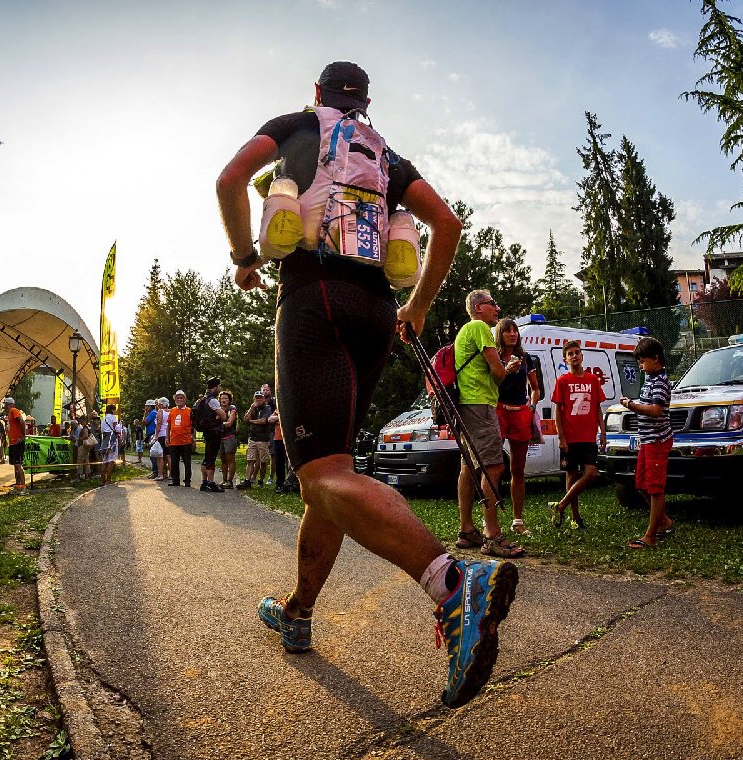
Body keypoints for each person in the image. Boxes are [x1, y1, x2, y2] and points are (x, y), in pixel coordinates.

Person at [217, 60, 516, 707]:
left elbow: (231, 178)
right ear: (367, 102)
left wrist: (244, 258)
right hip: (376, 314)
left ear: (317, 94)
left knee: (320, 476)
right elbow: (448, 224)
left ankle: (454, 586)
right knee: (333, 474)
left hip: (313, 300)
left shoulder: (297, 127)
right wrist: (417, 307)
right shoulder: (386, 157)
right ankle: (298, 611)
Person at [454, 290, 526, 558]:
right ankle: (492, 535)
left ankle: (466, 530)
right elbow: (497, 373)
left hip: (464, 404)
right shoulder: (480, 328)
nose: (497, 308)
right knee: (493, 467)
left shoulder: (464, 331)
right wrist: (507, 370)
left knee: (468, 468)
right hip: (480, 404)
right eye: (492, 304)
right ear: (478, 308)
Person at [547, 340, 607, 531]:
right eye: (570, 354)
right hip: (570, 437)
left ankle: (560, 506)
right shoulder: (562, 381)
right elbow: (557, 411)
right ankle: (576, 518)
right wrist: (561, 436)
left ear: (582, 356)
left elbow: (597, 408)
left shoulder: (593, 380)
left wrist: (603, 431)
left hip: (588, 437)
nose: (574, 356)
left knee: (591, 473)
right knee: (571, 475)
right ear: (565, 359)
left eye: (577, 352)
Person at [623, 337, 675, 548]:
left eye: (643, 361)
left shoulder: (660, 381)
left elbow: (655, 410)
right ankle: (663, 521)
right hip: (647, 441)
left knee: (655, 488)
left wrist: (631, 405)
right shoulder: (650, 379)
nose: (640, 365)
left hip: (657, 440)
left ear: (655, 358)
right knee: (641, 483)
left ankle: (651, 535)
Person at [493, 318, 541, 537]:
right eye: (508, 331)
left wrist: (531, 407)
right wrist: (506, 370)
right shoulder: (493, 356)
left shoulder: (525, 357)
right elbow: (490, 384)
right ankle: (491, 521)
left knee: (518, 469)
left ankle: (518, 521)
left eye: (515, 331)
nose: (513, 334)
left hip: (520, 412)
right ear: (500, 334)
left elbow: (535, 388)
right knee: (494, 467)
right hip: (498, 411)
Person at [237, 391, 273, 490]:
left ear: (264, 399)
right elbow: (245, 419)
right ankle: (247, 481)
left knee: (263, 461)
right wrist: (251, 408)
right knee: (250, 460)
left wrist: (252, 421)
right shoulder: (253, 408)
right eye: (257, 398)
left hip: (263, 439)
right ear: (254, 399)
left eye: (260, 398)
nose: (259, 399)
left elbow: (263, 421)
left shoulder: (267, 408)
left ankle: (260, 480)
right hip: (252, 438)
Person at [198, 378, 227, 493]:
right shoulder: (213, 400)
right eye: (219, 386)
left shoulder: (203, 399)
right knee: (211, 458)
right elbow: (224, 416)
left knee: (206, 457)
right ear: (215, 387)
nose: (220, 389)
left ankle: (204, 482)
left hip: (207, 431)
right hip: (214, 431)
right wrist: (220, 414)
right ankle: (211, 483)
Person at [167, 390, 193, 487]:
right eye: (177, 398)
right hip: (174, 441)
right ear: (175, 400)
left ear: (184, 399)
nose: (179, 399)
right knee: (174, 462)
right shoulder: (172, 410)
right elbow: (168, 425)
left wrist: (193, 438)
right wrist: (167, 437)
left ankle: (187, 480)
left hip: (186, 441)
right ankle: (175, 480)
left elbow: (193, 426)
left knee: (187, 462)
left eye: (181, 398)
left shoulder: (189, 411)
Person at [4, 396, 27, 491]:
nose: (5, 406)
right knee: (15, 465)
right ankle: (18, 485)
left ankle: (23, 486)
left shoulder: (14, 410)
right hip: (13, 443)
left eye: (6, 404)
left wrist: (23, 436)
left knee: (18, 464)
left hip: (17, 442)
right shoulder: (10, 413)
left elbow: (22, 421)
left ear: (9, 404)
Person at [218, 390, 239, 488]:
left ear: (229, 400)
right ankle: (224, 480)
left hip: (230, 437)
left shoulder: (232, 408)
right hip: (220, 437)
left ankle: (230, 481)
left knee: (230, 459)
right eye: (222, 398)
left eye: (226, 398)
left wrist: (217, 425)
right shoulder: (218, 409)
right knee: (223, 460)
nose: (224, 400)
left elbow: (230, 423)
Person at [100, 404, 119, 486]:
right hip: (112, 439)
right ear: (112, 410)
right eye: (114, 409)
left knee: (104, 461)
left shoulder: (103, 419)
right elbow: (116, 428)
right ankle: (108, 480)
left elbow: (101, 430)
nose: (115, 411)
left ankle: (102, 481)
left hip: (104, 440)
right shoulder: (113, 418)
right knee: (111, 460)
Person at [156, 397, 171, 482]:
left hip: (162, 435)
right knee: (169, 455)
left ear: (161, 404)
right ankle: (171, 474)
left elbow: (159, 423)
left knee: (160, 456)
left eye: (158, 404)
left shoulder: (160, 411)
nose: (158, 406)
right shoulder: (171, 411)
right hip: (170, 435)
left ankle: (160, 474)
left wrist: (156, 435)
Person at [144, 399, 159, 478]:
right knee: (153, 454)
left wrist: (145, 414)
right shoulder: (153, 412)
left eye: (146, 406)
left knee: (153, 454)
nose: (145, 408)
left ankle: (155, 472)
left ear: (150, 406)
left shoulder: (153, 413)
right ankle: (155, 471)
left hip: (152, 435)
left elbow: (145, 422)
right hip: (151, 435)